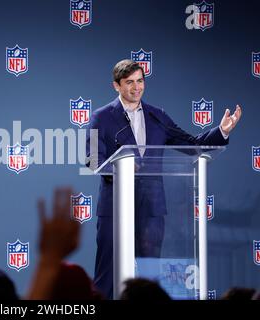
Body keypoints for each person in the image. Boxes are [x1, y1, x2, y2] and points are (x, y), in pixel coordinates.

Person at [86, 59, 242, 299]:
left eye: (140, 81)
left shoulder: (157, 116)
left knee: (149, 273)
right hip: (115, 208)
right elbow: (93, 160)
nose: (136, 87)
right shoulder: (101, 117)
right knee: (108, 273)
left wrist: (221, 132)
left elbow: (191, 145)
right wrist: (123, 169)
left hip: (152, 208)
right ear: (116, 86)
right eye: (129, 83)